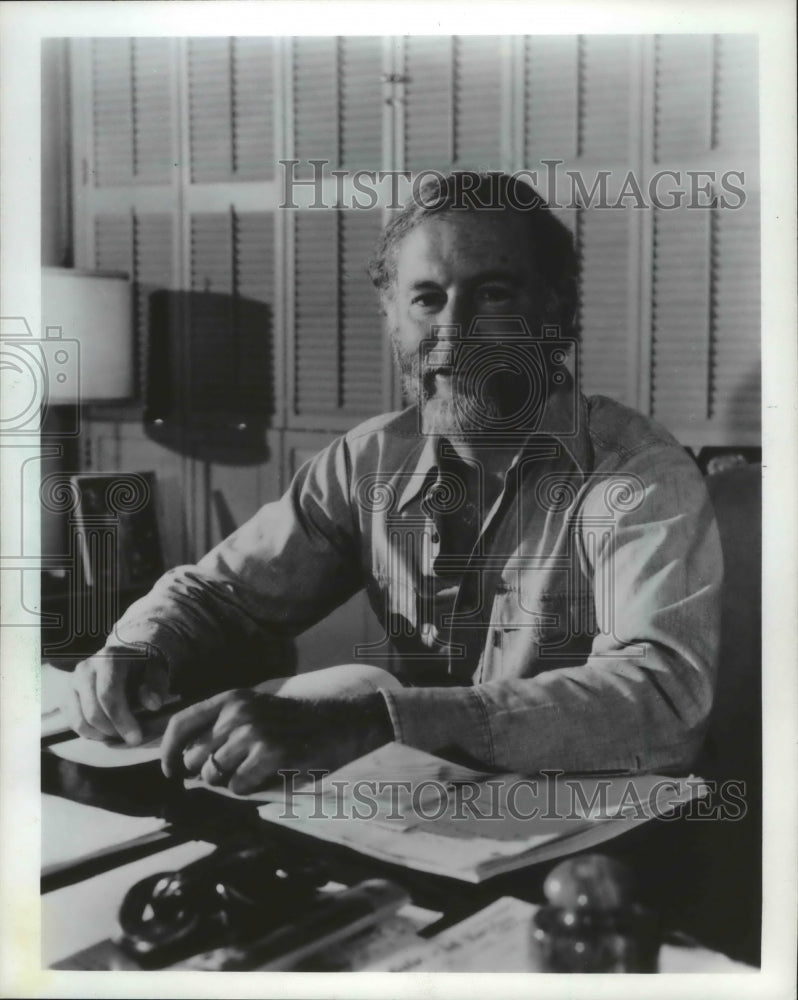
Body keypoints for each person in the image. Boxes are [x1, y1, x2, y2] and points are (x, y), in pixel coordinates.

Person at [60, 172, 722, 796]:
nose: (454, 333)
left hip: (584, 850)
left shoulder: (637, 473)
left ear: (554, 308)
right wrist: (139, 645)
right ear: (393, 317)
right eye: (427, 299)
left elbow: (663, 699)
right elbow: (221, 594)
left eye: (493, 294)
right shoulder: (366, 461)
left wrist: (375, 722)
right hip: (405, 821)